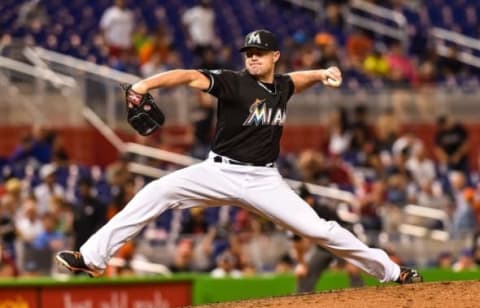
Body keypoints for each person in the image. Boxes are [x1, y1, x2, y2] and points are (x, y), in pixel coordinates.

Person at [56, 29, 422, 284]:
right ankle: (91, 258)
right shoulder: (233, 81)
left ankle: (392, 272)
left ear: (274, 56)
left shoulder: (281, 86)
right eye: (249, 53)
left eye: (259, 53)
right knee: (154, 193)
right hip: (217, 171)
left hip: (264, 180)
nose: (252, 58)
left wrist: (323, 73)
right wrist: (145, 85)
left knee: (319, 230)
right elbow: (187, 75)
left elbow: (298, 79)